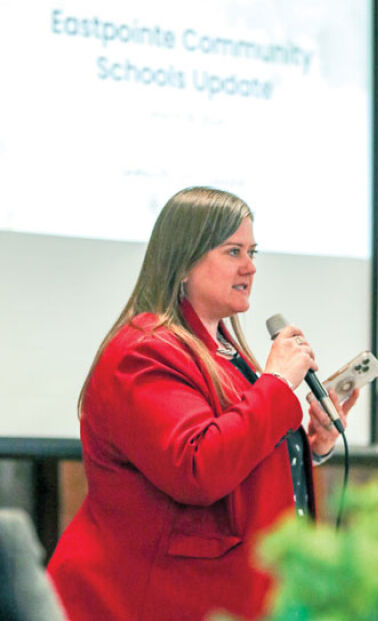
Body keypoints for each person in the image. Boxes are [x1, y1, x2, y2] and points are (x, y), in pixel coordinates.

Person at [47, 187, 358, 621]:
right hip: (144, 601)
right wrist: (276, 385)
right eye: (233, 251)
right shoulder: (143, 351)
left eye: (252, 251)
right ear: (184, 261)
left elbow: (242, 452)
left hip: (230, 597)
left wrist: (313, 442)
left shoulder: (227, 352)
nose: (250, 266)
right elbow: (198, 467)